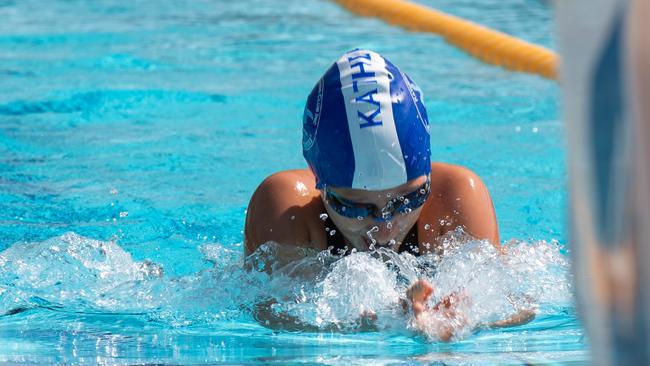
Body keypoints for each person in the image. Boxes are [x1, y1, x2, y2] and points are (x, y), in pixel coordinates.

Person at [244, 49, 531, 340]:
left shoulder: (456, 196)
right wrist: (382, 321)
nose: (384, 228)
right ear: (320, 182)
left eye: (408, 199)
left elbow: (515, 307)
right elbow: (276, 320)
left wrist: (457, 322)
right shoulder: (287, 207)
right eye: (355, 207)